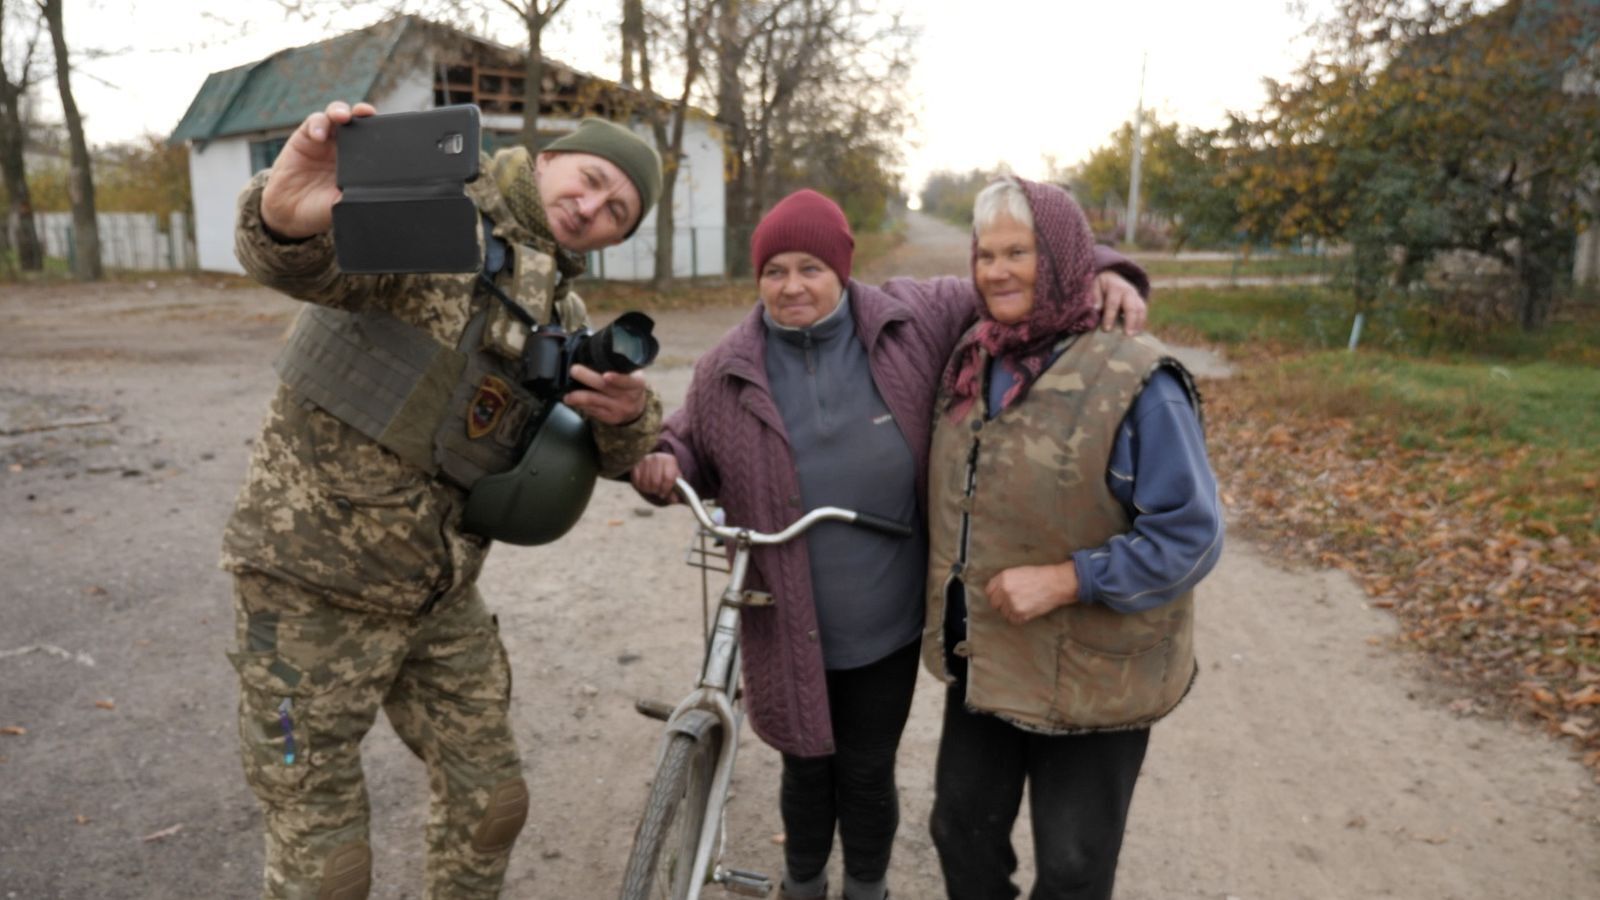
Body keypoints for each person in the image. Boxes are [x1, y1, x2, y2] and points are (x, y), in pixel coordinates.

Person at [629, 188, 1149, 900]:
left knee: (867, 770)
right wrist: (665, 460)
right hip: (783, 617)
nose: (792, 286)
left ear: (842, 268)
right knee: (806, 768)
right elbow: (688, 440)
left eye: (810, 267)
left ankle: (866, 890)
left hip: (886, 617)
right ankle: (802, 884)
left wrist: (1109, 268)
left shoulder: (913, 318)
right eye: (774, 270)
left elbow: (1018, 266)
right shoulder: (727, 366)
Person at [221, 101, 665, 899]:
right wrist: (282, 218)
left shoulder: (558, 311)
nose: (592, 208)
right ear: (552, 158)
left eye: (617, 214)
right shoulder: (442, 215)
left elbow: (612, 450)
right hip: (311, 590)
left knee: (493, 804)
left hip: (437, 597)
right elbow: (307, 261)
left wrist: (633, 417)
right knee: (328, 867)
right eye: (592, 181)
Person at [922, 176, 1223, 900]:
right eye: (985, 254)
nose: (997, 271)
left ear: (1059, 258)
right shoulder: (974, 357)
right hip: (989, 659)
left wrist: (1068, 579)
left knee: (1074, 870)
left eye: (1018, 251)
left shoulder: (1137, 377)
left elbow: (1192, 535)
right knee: (959, 833)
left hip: (1096, 678)